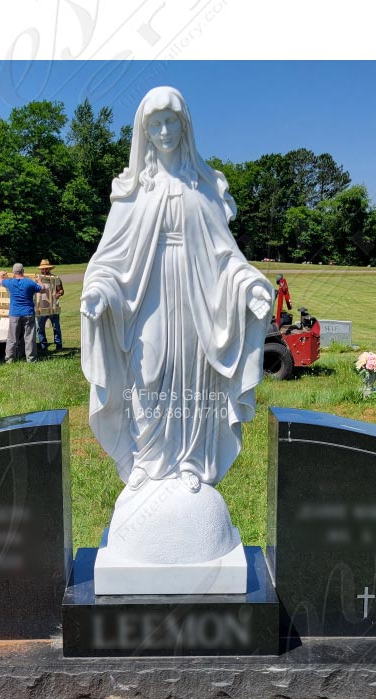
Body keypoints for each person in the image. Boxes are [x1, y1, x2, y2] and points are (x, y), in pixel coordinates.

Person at [80, 86, 272, 494]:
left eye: (171, 122)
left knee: (192, 373)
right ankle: (144, 459)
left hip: (197, 299)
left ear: (185, 127)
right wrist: (98, 290)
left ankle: (190, 459)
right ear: (144, 132)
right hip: (146, 297)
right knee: (146, 373)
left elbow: (226, 256)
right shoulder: (133, 192)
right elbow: (110, 259)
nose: (164, 131)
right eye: (156, 124)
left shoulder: (203, 188)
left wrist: (247, 286)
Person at [0, 263, 46, 363]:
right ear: (23, 271)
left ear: (13, 272)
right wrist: (39, 280)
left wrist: (1, 274)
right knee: (29, 338)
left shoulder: (10, 282)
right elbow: (42, 289)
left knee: (12, 338)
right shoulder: (29, 282)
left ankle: (10, 359)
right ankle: (31, 359)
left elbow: (0, 281)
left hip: (14, 314)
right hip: (28, 313)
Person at [35, 258, 64, 352]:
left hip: (53, 307)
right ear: (40, 269)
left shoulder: (56, 278)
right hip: (40, 307)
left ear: (49, 269)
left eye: (46, 269)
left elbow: (61, 290)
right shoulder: (36, 279)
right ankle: (44, 347)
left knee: (56, 327)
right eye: (43, 269)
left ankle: (58, 346)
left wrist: (57, 294)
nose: (44, 270)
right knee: (40, 329)